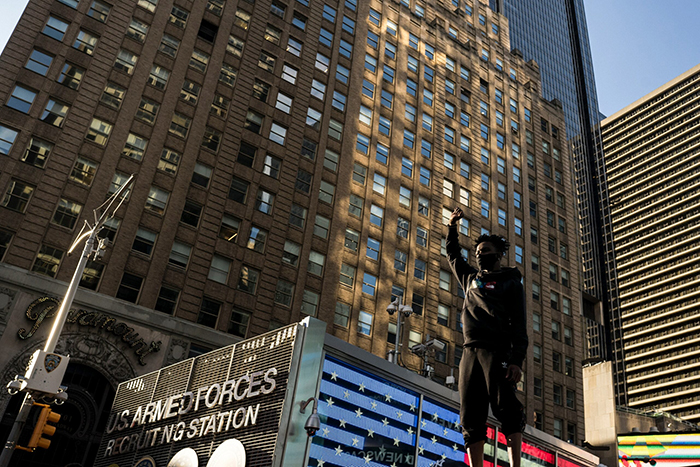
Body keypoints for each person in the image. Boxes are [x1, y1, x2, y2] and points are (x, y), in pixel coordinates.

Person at [446, 207, 528, 467]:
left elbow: (520, 324)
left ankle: (515, 464)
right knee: (470, 413)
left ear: (499, 255)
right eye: (478, 253)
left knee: (506, 407)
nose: (481, 256)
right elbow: (452, 254)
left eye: (486, 252)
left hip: (498, 350)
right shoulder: (470, 279)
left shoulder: (511, 282)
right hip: (470, 352)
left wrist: (516, 360)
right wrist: (452, 227)